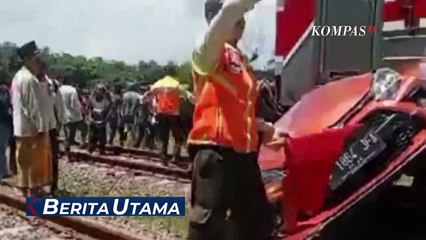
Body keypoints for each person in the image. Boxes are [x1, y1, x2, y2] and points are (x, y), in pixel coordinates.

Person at [187, 1, 286, 239]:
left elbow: (240, 108)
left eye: (243, 18)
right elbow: (230, 10)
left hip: (244, 155)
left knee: (259, 223)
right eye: (236, 18)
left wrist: (266, 128)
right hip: (215, 151)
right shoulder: (208, 51)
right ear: (215, 19)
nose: (242, 21)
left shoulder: (241, 61)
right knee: (208, 227)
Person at [11, 41, 51, 196]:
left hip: (21, 125)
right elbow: (32, 106)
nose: (38, 60)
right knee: (34, 160)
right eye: (35, 57)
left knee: (23, 159)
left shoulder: (18, 77)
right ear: (28, 59)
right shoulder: (28, 79)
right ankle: (33, 187)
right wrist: (39, 126)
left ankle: (23, 186)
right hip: (31, 127)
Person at [150, 66, 187, 165]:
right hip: (174, 114)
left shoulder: (160, 83)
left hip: (161, 112)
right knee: (178, 137)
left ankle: (163, 158)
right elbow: (187, 95)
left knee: (163, 137)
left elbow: (151, 91)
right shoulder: (176, 84)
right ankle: (175, 156)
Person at [38, 65, 64, 195]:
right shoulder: (29, 82)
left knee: (52, 157)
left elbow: (59, 105)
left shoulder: (53, 84)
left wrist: (60, 122)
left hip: (50, 127)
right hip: (35, 127)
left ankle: (53, 185)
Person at [59, 76, 87, 153]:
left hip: (63, 115)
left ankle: (67, 153)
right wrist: (80, 111)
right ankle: (83, 142)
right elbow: (74, 104)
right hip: (74, 115)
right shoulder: (72, 90)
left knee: (67, 135)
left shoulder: (59, 90)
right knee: (84, 127)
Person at [87, 83, 111, 154]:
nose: (100, 92)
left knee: (102, 136)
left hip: (101, 119)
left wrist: (105, 117)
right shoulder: (92, 98)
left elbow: (108, 109)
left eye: (101, 90)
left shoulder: (105, 100)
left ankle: (101, 149)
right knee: (92, 135)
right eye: (98, 90)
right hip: (94, 118)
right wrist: (90, 117)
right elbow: (89, 108)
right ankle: (91, 149)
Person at [0, 76, 13, 180]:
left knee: (1, 148)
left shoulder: (3, 90)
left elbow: (5, 106)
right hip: (4, 122)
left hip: (3, 122)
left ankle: (3, 172)